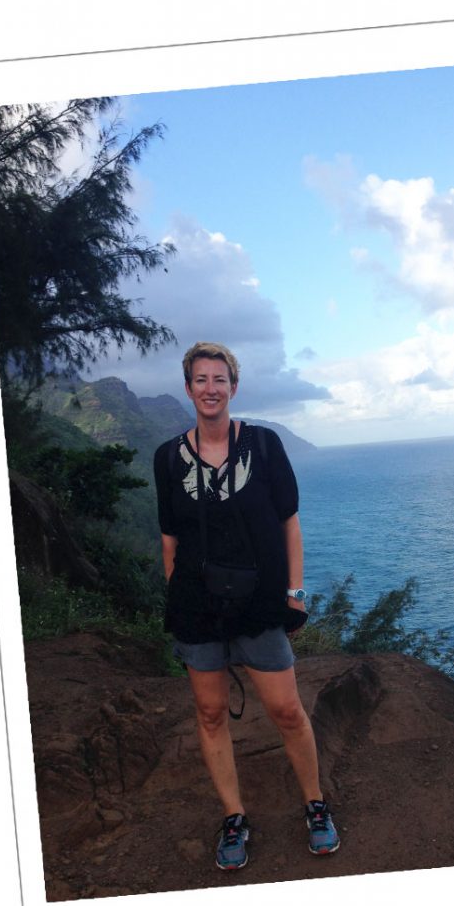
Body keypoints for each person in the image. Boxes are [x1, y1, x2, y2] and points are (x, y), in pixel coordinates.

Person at [153, 341, 340, 871]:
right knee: (210, 713)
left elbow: (289, 524)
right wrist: (183, 604)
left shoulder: (263, 444)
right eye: (200, 380)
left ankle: (315, 803)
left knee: (285, 709)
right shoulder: (169, 457)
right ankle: (234, 815)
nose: (210, 389)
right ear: (188, 388)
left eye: (220, 379)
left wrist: (295, 595)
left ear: (233, 388)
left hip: (259, 604)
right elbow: (170, 542)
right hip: (197, 610)